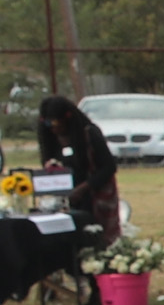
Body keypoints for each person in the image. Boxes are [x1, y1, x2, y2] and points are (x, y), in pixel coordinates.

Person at [35, 94, 122, 242]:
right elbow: (46, 160)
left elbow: (109, 167)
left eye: (56, 123)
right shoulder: (48, 137)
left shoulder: (89, 133)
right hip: (62, 199)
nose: (53, 128)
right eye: (48, 124)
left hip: (92, 197)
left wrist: (82, 189)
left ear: (67, 117)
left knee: (92, 238)